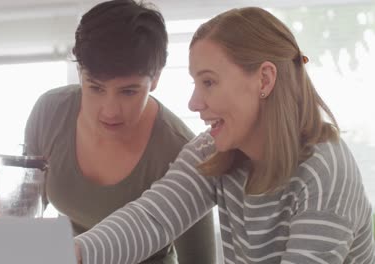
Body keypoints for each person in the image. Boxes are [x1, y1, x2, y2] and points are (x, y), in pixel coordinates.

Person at [74, 6, 375, 264]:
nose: (194, 103)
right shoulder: (215, 148)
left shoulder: (325, 175)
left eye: (209, 82)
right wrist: (69, 254)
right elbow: (152, 220)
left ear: (265, 79)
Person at [0, 0, 217, 263]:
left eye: (128, 91)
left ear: (156, 78)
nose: (110, 111)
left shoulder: (180, 149)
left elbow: (201, 259)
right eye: (95, 88)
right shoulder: (50, 113)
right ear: (80, 71)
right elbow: (21, 227)